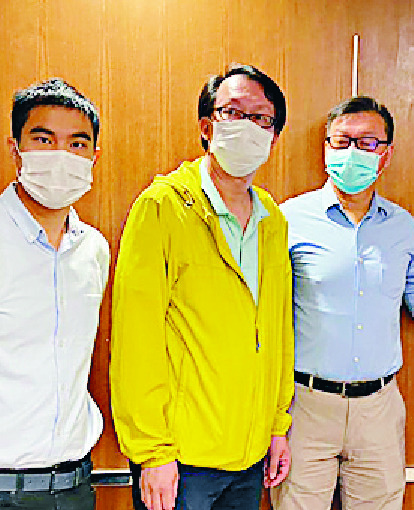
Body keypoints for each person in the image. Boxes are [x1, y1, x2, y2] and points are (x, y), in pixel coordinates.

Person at [271, 95, 414, 510]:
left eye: (368, 142)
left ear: (386, 155)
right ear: (326, 149)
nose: (353, 152)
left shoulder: (402, 226)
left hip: (378, 408)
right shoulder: (288, 219)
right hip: (304, 407)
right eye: (342, 141)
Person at [110, 63, 294, 510]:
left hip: (250, 454)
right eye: (233, 112)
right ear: (207, 126)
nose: (247, 127)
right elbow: (136, 338)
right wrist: (153, 452)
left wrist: (276, 426)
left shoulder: (272, 220)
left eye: (261, 118)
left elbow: (276, 331)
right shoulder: (163, 207)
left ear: (273, 138)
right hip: (181, 460)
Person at [0, 79, 108, 509]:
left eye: (77, 143)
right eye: (43, 139)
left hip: (72, 487)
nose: (61, 155)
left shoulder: (93, 249)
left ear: (94, 157)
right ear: (15, 149)